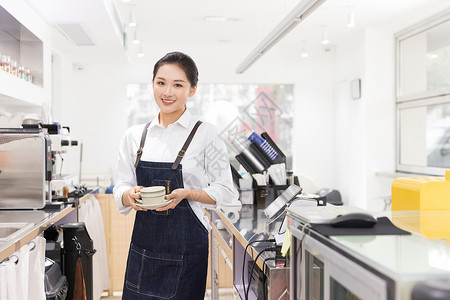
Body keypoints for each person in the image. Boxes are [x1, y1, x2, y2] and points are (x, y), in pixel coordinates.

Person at [113, 51, 238, 300]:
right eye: (161, 83)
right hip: (144, 251)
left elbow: (227, 191)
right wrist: (129, 195)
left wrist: (188, 193)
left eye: (178, 85)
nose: (167, 92)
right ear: (152, 85)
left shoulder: (207, 135)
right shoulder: (134, 136)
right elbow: (121, 185)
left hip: (188, 251)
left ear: (192, 90)